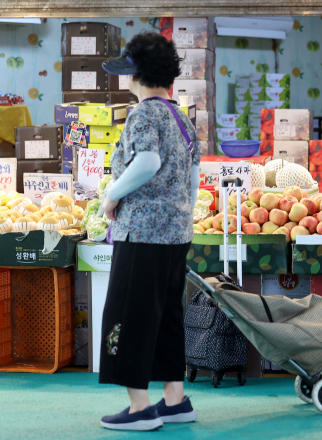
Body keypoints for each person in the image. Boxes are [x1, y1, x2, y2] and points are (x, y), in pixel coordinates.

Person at [98, 32, 201, 431]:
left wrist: (111, 195)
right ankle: (174, 400)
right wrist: (183, 212)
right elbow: (194, 176)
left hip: (141, 233)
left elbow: (147, 162)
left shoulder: (143, 114)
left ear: (137, 75)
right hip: (176, 232)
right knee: (165, 316)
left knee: (128, 314)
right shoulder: (181, 116)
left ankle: (140, 409)